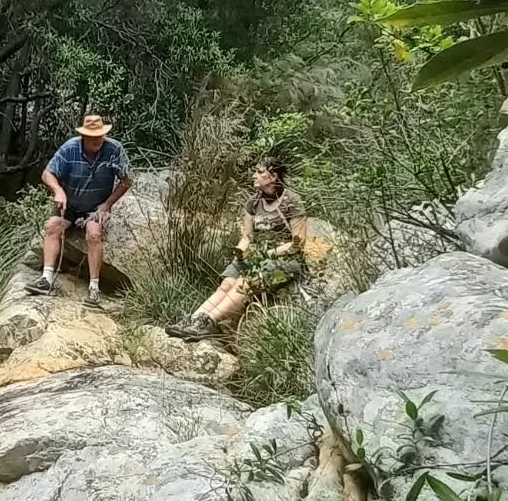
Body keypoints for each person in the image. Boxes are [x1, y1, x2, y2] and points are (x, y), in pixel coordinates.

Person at [166, 159, 308, 340]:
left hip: (285, 259)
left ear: (273, 177)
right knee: (226, 284)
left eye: (259, 172)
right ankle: (194, 319)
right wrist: (240, 251)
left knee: (245, 282)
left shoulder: (292, 201)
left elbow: (298, 243)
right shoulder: (253, 203)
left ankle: (210, 322)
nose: (254, 175)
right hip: (258, 254)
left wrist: (267, 254)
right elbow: (247, 237)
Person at [27, 114, 133, 307]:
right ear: (83, 136)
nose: (97, 141)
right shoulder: (70, 148)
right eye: (92, 137)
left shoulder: (114, 149)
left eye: (100, 136)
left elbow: (126, 180)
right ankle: (46, 279)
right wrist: (58, 190)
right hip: (70, 204)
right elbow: (47, 173)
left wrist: (107, 205)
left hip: (95, 206)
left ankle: (94, 289)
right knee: (52, 226)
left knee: (93, 234)